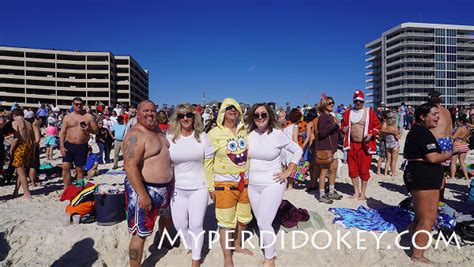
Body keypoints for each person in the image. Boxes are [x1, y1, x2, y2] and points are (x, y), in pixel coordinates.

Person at [247, 103, 303, 267]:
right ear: (252, 117)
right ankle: (269, 248)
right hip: (253, 185)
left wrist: (288, 172)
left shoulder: (278, 134)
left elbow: (298, 150)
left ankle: (270, 258)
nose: (260, 118)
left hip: (273, 183)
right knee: (260, 221)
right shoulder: (248, 134)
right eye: (256, 115)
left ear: (269, 116)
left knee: (264, 223)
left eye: (263, 114)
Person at [123, 100, 173, 267]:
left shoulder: (158, 131)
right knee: (140, 233)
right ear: (137, 114)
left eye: (152, 110)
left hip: (165, 188)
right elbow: (129, 166)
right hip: (145, 188)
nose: (150, 113)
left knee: (166, 217)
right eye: (145, 111)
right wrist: (142, 194)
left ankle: (165, 243)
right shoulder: (136, 135)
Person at [205, 98, 253, 267]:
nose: (233, 110)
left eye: (235, 107)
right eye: (229, 108)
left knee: (244, 219)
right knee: (225, 222)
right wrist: (211, 187)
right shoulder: (213, 134)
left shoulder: (245, 131)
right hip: (224, 186)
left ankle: (238, 245)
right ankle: (227, 258)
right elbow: (207, 163)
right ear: (223, 112)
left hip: (245, 184)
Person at [403, 103, 454, 264]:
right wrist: (450, 154)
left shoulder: (419, 131)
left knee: (420, 217)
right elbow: (432, 158)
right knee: (428, 218)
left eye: (438, 114)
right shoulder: (422, 132)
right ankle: (417, 255)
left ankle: (415, 246)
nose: (437, 117)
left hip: (419, 174)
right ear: (422, 117)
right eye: (434, 114)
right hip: (423, 176)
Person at [167, 103, 214, 267]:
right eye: (181, 115)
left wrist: (211, 187)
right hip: (177, 188)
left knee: (196, 224)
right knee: (180, 224)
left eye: (189, 115)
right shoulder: (170, 138)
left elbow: (210, 164)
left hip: (198, 188)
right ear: (177, 119)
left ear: (194, 117)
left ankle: (196, 258)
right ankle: (192, 245)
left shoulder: (203, 137)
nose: (185, 118)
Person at [341, 90, 380, 200]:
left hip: (365, 146)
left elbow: (377, 125)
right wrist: (343, 129)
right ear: (353, 101)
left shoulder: (369, 112)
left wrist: (372, 134)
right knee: (352, 169)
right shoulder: (348, 113)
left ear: (363, 102)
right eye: (356, 101)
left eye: (360, 101)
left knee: (364, 169)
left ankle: (363, 193)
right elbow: (342, 125)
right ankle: (356, 192)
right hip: (351, 145)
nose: (358, 103)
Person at [59, 97, 99, 188]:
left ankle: (79, 188)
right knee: (65, 167)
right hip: (69, 144)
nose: (79, 106)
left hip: (82, 145)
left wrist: (88, 129)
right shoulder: (68, 117)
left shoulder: (88, 117)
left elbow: (96, 130)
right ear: (73, 105)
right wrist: (61, 146)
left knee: (79, 169)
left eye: (80, 104)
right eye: (76, 104)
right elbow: (63, 132)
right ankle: (66, 188)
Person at [316, 96, 343, 203]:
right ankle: (322, 194)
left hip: (333, 148)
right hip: (325, 148)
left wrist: (340, 128)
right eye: (330, 103)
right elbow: (322, 133)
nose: (332, 105)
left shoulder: (332, 117)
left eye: (333, 103)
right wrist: (334, 124)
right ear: (324, 105)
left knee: (334, 169)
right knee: (324, 171)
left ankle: (331, 190)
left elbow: (335, 133)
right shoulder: (322, 118)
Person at [427, 91, 453, 201]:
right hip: (447, 142)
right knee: (441, 171)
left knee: (431, 170)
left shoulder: (431, 110)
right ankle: (441, 196)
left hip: (436, 141)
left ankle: (433, 195)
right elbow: (451, 128)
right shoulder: (446, 111)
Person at [10, 109, 35, 199]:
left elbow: (16, 138)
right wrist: (32, 151)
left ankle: (27, 193)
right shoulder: (28, 123)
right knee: (22, 171)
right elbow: (33, 140)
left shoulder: (15, 122)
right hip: (29, 146)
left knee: (20, 171)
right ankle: (16, 191)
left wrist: (11, 150)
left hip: (20, 146)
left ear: (14, 115)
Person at [282, 108, 301, 189]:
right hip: (291, 150)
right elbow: (295, 140)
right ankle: (290, 186)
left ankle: (285, 185)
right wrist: (299, 150)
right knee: (292, 168)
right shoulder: (295, 127)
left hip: (284, 150)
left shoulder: (286, 128)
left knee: (285, 168)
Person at [383, 114, 400, 178]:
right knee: (394, 161)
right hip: (395, 145)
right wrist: (399, 135)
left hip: (388, 145)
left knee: (388, 160)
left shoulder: (386, 128)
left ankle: (385, 173)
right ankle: (393, 173)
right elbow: (397, 137)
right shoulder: (394, 128)